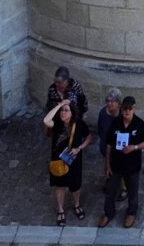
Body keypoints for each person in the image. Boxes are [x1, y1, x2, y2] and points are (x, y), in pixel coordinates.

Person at [42, 80, 91, 221]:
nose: (64, 112)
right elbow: (46, 120)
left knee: (75, 186)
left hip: (73, 159)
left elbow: (89, 138)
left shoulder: (79, 124)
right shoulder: (56, 123)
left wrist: (79, 148)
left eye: (66, 110)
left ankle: (76, 205)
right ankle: (61, 209)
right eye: (63, 110)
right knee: (60, 185)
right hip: (58, 159)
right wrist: (59, 105)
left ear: (72, 112)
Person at [100, 93, 144, 228]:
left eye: (129, 109)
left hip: (132, 165)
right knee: (111, 190)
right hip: (116, 163)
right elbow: (109, 144)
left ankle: (131, 213)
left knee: (132, 191)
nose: (127, 111)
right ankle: (108, 213)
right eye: (124, 109)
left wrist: (134, 147)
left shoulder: (139, 124)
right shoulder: (116, 123)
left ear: (134, 109)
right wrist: (107, 164)